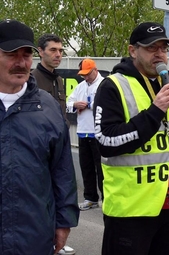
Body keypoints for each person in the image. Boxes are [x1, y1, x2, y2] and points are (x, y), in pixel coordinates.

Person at [93, 21, 169, 255]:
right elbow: (106, 142)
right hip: (131, 209)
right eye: (151, 48)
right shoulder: (113, 86)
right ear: (132, 51)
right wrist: (155, 111)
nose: (159, 54)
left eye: (164, 48)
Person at [0, 19, 79, 254]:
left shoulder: (47, 108)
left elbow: (63, 170)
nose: (21, 63)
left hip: (33, 235)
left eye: (26, 55)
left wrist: (64, 222)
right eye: (12, 54)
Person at [67, 58, 104, 211]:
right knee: (86, 167)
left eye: (87, 74)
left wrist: (89, 105)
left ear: (95, 70)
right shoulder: (80, 86)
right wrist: (75, 105)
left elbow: (108, 104)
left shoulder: (104, 84)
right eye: (83, 74)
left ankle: (106, 198)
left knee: (102, 169)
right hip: (83, 132)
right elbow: (68, 103)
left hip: (99, 133)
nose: (85, 77)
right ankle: (90, 198)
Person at [31, 34, 70, 128]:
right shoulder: (31, 80)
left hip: (60, 138)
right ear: (40, 51)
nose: (58, 55)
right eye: (53, 50)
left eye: (60, 51)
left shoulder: (59, 80)